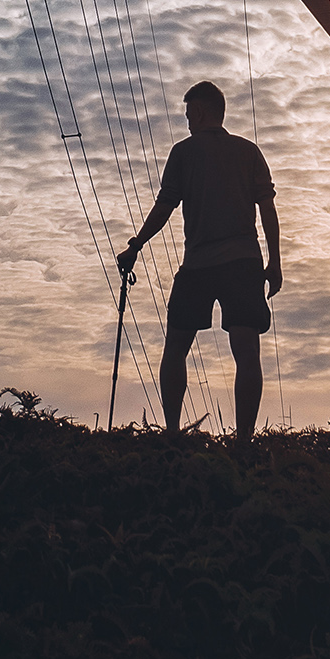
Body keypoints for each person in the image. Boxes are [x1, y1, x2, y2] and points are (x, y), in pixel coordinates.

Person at [118, 81, 281, 445]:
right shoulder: (248, 151)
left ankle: (173, 433)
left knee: (176, 345)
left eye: (189, 112)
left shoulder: (184, 153)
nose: (187, 119)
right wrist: (275, 261)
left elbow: (165, 206)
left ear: (202, 111)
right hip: (243, 262)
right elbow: (266, 207)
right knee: (246, 350)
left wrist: (136, 245)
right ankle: (244, 441)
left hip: (199, 264)